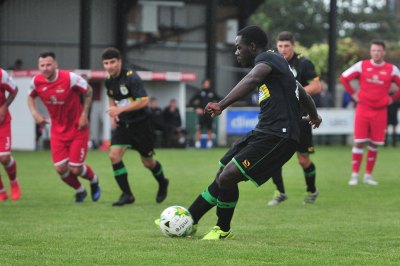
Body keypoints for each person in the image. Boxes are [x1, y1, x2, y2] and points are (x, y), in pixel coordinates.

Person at [159, 26, 321, 240]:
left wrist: (222, 104)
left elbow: (253, 79)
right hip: (265, 131)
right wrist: (315, 116)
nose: (236, 52)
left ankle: (222, 229)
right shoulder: (278, 62)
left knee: (228, 176)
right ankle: (191, 219)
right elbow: (300, 91)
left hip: (278, 136)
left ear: (252, 47)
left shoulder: (267, 60)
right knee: (222, 173)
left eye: (239, 47)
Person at [27, 51, 101, 203]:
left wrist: (84, 114)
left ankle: (94, 180)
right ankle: (80, 190)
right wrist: (35, 113)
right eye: (42, 65)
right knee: (60, 168)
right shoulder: (36, 81)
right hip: (58, 131)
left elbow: (89, 91)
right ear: (38, 67)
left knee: (75, 169)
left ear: (55, 64)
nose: (45, 68)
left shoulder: (70, 78)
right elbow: (30, 96)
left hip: (77, 129)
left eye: (48, 64)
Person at [102, 47, 169, 206]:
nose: (109, 66)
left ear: (119, 62)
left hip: (141, 124)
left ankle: (163, 181)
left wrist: (120, 109)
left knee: (147, 162)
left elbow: (143, 101)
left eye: (112, 62)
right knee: (114, 155)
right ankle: (127, 195)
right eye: (106, 63)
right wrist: (114, 113)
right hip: (123, 124)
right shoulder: (108, 80)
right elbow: (111, 96)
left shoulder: (132, 78)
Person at [267, 31, 322, 206]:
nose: (283, 49)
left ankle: (312, 190)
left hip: (301, 117)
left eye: (287, 46)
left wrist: (295, 92)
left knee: (303, 159)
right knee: (273, 156)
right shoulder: (273, 61)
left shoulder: (303, 63)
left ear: (293, 45)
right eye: (280, 46)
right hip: (279, 117)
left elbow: (316, 85)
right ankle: (280, 192)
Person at [340, 40, 400, 186]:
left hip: (380, 111)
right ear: (371, 52)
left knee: (374, 144)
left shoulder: (391, 69)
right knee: (359, 142)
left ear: (383, 52)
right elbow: (344, 77)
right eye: (373, 50)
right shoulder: (362, 65)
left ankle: (368, 176)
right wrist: (353, 94)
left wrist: (392, 99)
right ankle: (354, 175)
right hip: (363, 109)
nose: (376, 53)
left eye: (379, 50)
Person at [0, 67, 21, 201]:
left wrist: (4, 106)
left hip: (2, 121)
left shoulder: (1, 74)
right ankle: (1, 190)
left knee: (4, 158)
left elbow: (14, 90)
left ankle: (13, 181)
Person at [189, 78, 220, 148]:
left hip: (210, 114)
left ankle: (209, 144)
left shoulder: (212, 93)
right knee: (199, 128)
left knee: (209, 129)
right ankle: (197, 143)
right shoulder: (199, 92)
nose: (206, 85)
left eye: (208, 83)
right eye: (205, 83)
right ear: (203, 84)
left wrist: (215, 108)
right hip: (201, 114)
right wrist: (196, 108)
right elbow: (191, 101)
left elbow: (219, 100)